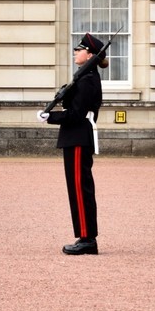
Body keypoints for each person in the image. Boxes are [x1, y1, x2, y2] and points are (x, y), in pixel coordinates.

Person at [38, 32, 105, 256]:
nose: (76, 52)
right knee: (76, 189)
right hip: (75, 137)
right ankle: (84, 236)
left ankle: (87, 239)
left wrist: (51, 117)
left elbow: (76, 114)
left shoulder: (88, 80)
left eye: (80, 49)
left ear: (91, 54)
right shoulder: (83, 78)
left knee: (80, 189)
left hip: (78, 137)